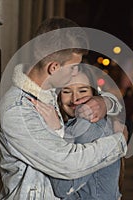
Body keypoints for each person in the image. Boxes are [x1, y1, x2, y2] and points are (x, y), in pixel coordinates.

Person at [0, 17, 128, 200]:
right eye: (74, 67)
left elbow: (87, 99)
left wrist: (106, 102)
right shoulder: (18, 110)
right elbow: (67, 163)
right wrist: (119, 142)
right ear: (54, 67)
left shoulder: (48, 93)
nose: (76, 73)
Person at [34, 65, 127, 200]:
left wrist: (57, 132)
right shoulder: (75, 124)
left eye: (82, 91)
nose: (75, 99)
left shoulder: (87, 126)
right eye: (67, 91)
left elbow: (62, 187)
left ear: (94, 94)